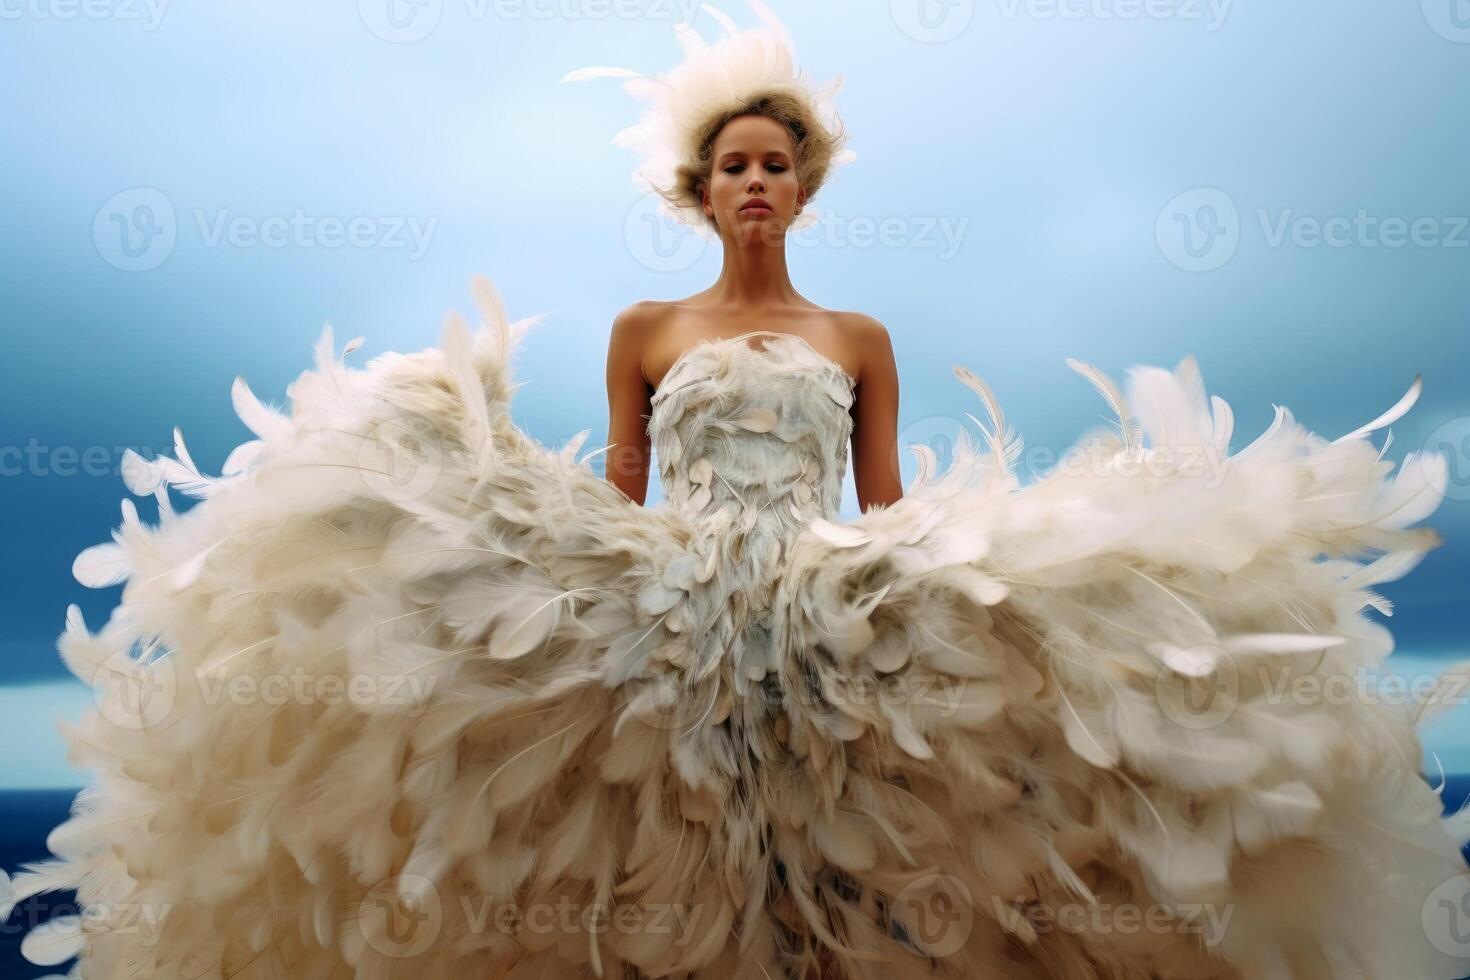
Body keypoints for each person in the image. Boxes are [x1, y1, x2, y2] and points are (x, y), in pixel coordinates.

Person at [5, 2, 1469, 977]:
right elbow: (629, 487)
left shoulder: (856, 337)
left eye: (775, 164)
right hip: (673, 610)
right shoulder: (647, 335)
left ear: (802, 184)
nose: (754, 183)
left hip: (831, 613)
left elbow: (884, 502)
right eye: (731, 167)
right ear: (698, 194)